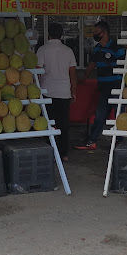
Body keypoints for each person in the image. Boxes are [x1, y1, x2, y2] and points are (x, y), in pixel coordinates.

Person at [75, 20, 125, 151]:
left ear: (105, 32)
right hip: (103, 86)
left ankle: (120, 141)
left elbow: (125, 64)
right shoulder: (97, 48)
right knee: (100, 115)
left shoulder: (117, 47)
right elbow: (92, 65)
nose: (95, 35)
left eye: (97, 32)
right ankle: (92, 141)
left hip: (116, 85)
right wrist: (83, 77)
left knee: (119, 114)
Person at [36, 22, 77, 161]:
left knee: (49, 124)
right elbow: (72, 74)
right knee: (63, 124)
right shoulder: (68, 51)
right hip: (64, 92)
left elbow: (38, 72)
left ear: (49, 34)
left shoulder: (42, 49)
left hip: (47, 91)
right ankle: (63, 154)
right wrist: (74, 91)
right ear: (61, 35)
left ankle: (50, 152)